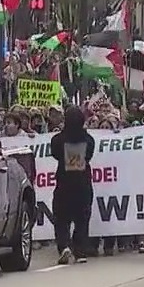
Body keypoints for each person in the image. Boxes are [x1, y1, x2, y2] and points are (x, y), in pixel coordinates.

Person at [49, 106, 95, 264]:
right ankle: (80, 250)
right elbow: (89, 155)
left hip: (64, 183)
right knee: (82, 219)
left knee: (61, 218)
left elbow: (55, 153)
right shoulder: (88, 140)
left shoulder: (58, 140)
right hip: (83, 184)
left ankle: (64, 246)